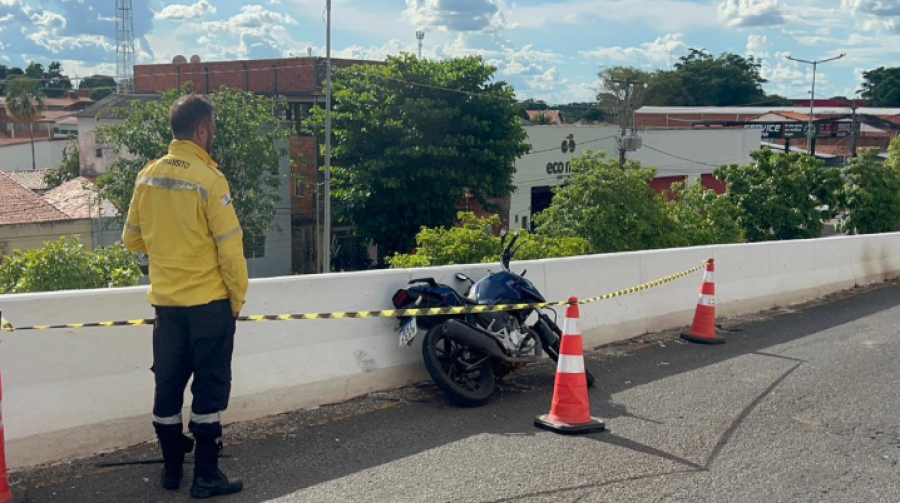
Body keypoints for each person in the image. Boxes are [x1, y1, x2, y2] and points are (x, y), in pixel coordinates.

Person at [123, 94, 248, 499]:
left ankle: (172, 472)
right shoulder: (210, 180)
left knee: (168, 387)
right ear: (200, 130)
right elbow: (230, 248)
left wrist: (165, 250)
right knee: (209, 390)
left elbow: (131, 240)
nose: (213, 134)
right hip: (209, 305)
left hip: (166, 308)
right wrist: (237, 299)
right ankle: (207, 477)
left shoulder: (148, 176)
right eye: (211, 128)